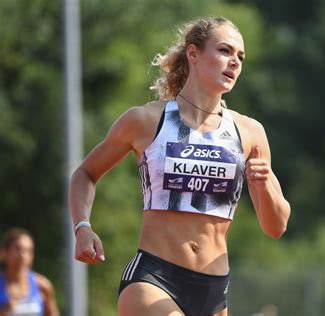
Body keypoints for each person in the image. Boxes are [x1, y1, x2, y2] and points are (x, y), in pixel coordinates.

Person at [69, 16, 291, 316]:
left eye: (240, 56)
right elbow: (86, 173)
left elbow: (276, 226)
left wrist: (264, 187)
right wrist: (82, 227)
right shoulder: (146, 120)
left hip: (214, 290)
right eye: (225, 50)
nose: (235, 62)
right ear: (194, 53)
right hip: (153, 278)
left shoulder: (249, 132)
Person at [0, 227, 60, 316]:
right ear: (5, 252)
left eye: (28, 251)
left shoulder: (42, 286)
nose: (23, 255)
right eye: (18, 249)